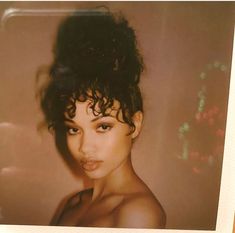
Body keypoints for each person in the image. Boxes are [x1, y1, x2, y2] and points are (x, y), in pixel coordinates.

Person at [39, 9, 166, 228]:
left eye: (103, 126)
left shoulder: (138, 214)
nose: (85, 147)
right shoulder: (73, 203)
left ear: (135, 124)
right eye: (74, 129)